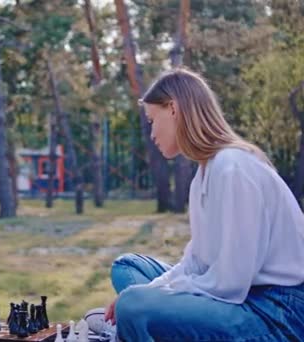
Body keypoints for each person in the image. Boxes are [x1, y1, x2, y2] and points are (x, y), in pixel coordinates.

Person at [98, 68, 304, 341]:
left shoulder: (233, 168)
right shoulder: (205, 173)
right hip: (240, 297)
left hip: (275, 313)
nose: (152, 134)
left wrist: (147, 298)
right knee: (127, 269)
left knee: (134, 305)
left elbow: (230, 283)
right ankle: (149, 320)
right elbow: (195, 261)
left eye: (152, 121)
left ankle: (141, 322)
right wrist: (155, 291)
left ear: (173, 109)